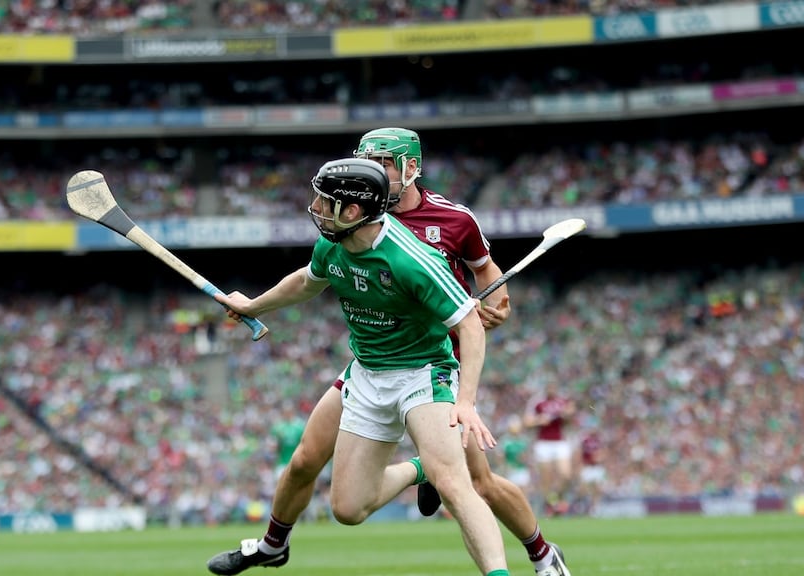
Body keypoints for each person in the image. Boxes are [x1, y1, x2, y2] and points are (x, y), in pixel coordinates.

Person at [208, 128, 570, 576]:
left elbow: (481, 299)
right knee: (340, 498)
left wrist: (472, 382)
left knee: (466, 483)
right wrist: (253, 304)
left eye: (383, 163)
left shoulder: (428, 240)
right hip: (369, 364)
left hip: (430, 365)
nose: (317, 210)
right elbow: (308, 278)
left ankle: (538, 556)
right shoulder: (337, 237)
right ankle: (280, 540)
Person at [524, 384, 577, 515]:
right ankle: (552, 504)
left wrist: (567, 414)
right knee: (545, 477)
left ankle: (556, 498)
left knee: (565, 474)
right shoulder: (537, 402)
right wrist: (539, 420)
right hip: (543, 443)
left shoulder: (563, 402)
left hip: (560, 442)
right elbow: (527, 422)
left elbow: (571, 417)